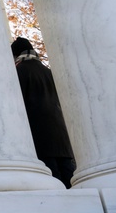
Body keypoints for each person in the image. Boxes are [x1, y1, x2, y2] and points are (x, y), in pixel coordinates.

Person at [11, 37, 77, 188]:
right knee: (69, 178)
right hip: (60, 135)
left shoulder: (19, 72)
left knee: (52, 181)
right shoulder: (49, 72)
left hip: (39, 135)